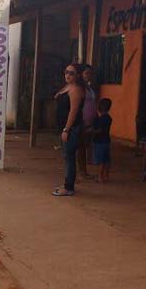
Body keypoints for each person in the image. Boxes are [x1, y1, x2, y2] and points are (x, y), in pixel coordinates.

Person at [53, 63, 86, 196]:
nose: (67, 75)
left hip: (72, 128)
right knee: (66, 156)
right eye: (66, 72)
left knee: (69, 157)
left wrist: (67, 129)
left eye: (71, 73)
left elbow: (73, 111)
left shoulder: (76, 90)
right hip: (65, 127)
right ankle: (67, 182)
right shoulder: (68, 87)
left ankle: (69, 186)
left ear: (77, 75)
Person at [77, 64, 97, 180]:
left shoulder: (89, 88)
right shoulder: (79, 88)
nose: (89, 76)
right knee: (80, 147)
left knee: (85, 147)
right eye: (86, 73)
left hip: (90, 121)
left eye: (90, 73)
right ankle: (81, 172)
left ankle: (83, 171)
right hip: (82, 121)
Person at [91, 98, 113, 183]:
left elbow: (99, 130)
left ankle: (100, 176)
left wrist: (91, 130)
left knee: (101, 160)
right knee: (106, 160)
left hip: (99, 141)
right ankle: (106, 176)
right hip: (106, 140)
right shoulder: (108, 118)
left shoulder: (101, 119)